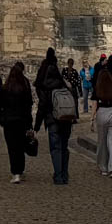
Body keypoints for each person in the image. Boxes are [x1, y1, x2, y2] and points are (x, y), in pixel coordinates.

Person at [42, 56, 79, 184]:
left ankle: (58, 176)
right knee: (64, 147)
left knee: (56, 149)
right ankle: (64, 175)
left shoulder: (46, 87)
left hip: (53, 121)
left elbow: (43, 106)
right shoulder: (65, 84)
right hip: (66, 119)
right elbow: (74, 99)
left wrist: (37, 124)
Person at [0, 62, 34, 183]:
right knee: (20, 145)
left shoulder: (5, 88)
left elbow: (0, 105)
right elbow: (28, 106)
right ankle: (20, 169)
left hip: (9, 121)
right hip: (21, 120)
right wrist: (30, 124)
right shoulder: (24, 87)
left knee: (12, 147)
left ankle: (15, 172)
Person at [91, 54, 112, 177]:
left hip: (101, 113)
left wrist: (92, 118)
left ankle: (103, 167)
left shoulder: (97, 89)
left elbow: (94, 105)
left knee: (102, 142)